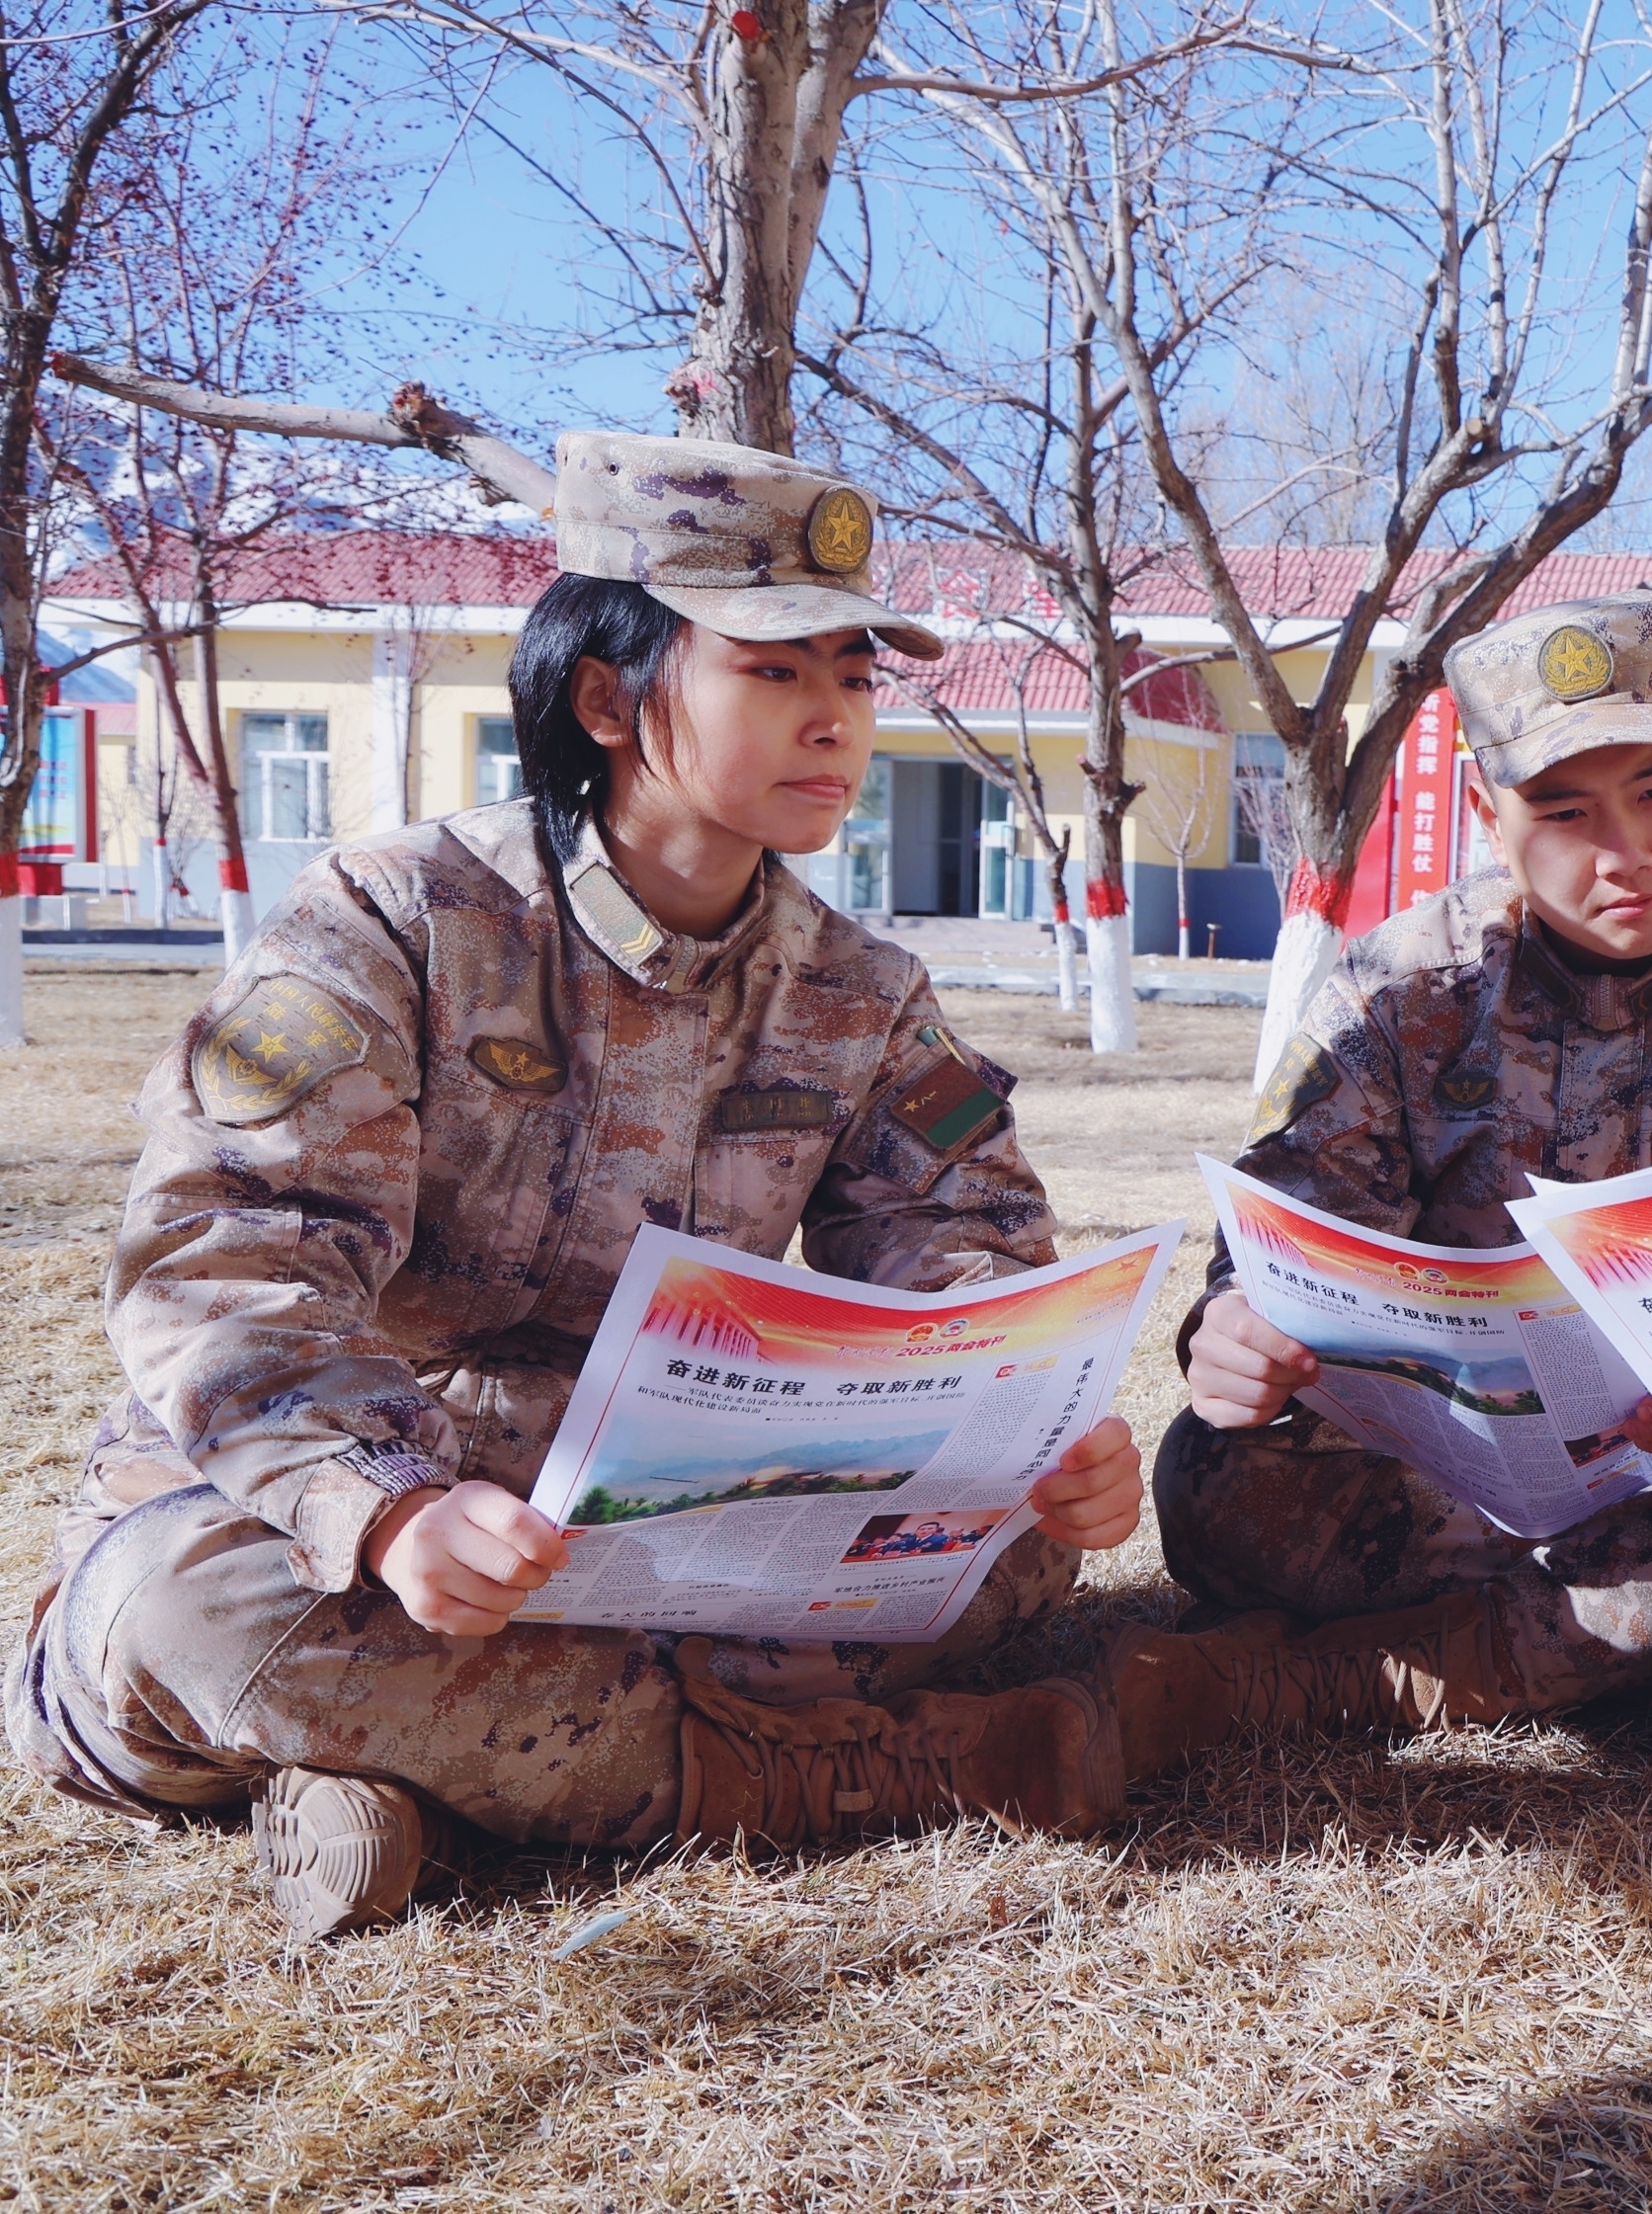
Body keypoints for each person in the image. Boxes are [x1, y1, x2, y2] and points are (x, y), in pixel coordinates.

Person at [5, 433, 1268, 1942]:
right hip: (355, 1505)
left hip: (653, 1514)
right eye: (777, 671)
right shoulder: (394, 920)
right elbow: (229, 1256)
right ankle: (862, 1772)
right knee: (182, 1616)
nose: (837, 723)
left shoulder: (858, 992)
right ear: (610, 697)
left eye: (856, 679)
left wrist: (1034, 1436)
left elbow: (964, 1250)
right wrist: (390, 1509)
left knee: (1014, 1562)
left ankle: (431, 1774)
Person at [1146, 588, 1652, 1741]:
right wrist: (1235, 1334)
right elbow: (1286, 1239)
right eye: (1564, 811)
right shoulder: (1399, 990)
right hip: (1458, 1482)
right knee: (1216, 1485)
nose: (1625, 853)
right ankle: (1644, 1641)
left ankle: (1383, 1674)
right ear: (1488, 812)